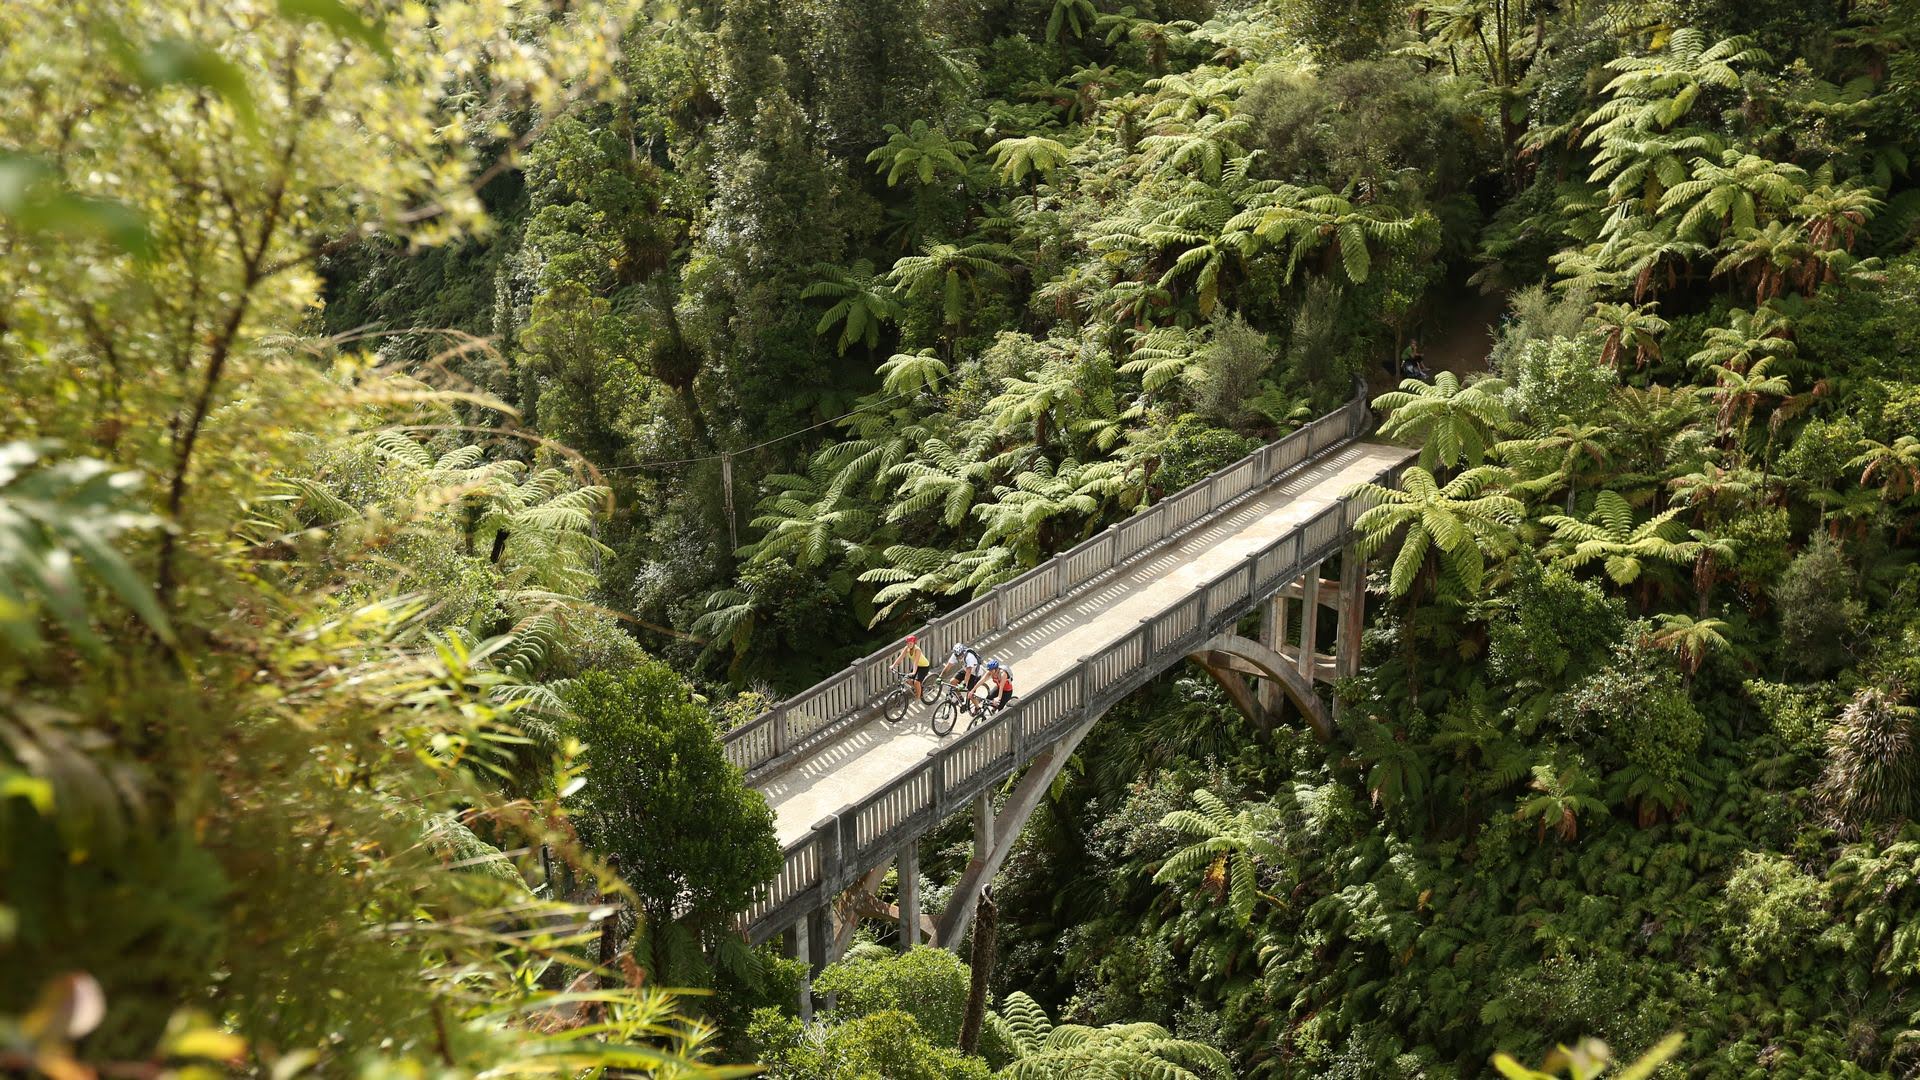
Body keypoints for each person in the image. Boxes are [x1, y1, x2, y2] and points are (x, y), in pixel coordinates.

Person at [892, 634, 930, 701]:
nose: (909, 645)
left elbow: (915, 661)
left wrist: (914, 672)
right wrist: (893, 665)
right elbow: (900, 657)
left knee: (916, 682)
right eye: (908, 643)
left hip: (924, 666)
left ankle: (918, 697)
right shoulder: (907, 648)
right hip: (917, 666)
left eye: (911, 643)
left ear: (914, 643)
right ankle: (918, 688)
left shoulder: (917, 650)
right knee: (907, 680)